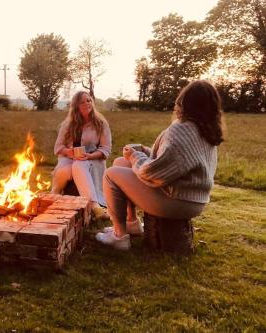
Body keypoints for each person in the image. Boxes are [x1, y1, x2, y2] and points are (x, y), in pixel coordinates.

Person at [96, 80, 224, 250]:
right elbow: (176, 162)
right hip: (193, 200)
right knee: (121, 162)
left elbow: (154, 174)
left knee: (111, 174)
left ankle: (119, 237)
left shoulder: (183, 129)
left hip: (176, 200)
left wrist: (135, 156)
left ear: (184, 102)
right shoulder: (206, 129)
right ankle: (131, 223)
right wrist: (146, 152)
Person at [52, 91, 112, 220]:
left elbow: (106, 150)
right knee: (64, 170)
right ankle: (54, 195)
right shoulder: (67, 124)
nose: (87, 104)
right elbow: (58, 148)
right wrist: (69, 152)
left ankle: (95, 206)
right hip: (69, 158)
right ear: (76, 106)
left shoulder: (101, 123)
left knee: (79, 165)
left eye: (89, 100)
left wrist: (89, 156)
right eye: (82, 102)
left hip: (93, 159)